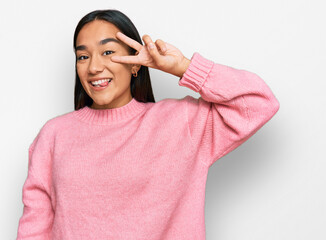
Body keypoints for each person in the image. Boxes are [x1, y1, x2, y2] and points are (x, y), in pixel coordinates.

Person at [16, 9, 280, 240]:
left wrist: (183, 67)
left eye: (108, 52)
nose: (94, 67)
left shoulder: (181, 123)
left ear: (135, 65)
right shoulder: (54, 135)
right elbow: (34, 228)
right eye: (83, 56)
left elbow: (258, 103)